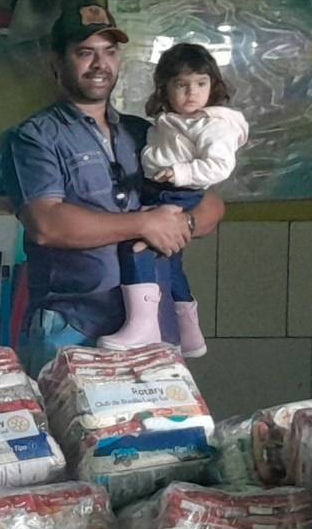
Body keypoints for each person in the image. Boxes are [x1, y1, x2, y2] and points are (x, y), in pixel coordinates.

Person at [3, 5, 225, 376]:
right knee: (68, 417)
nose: (99, 64)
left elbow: (212, 204)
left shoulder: (146, 132)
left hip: (153, 328)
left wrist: (182, 223)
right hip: (73, 328)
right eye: (85, 53)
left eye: (109, 52)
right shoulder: (35, 137)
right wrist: (144, 224)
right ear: (57, 62)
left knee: (159, 418)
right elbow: (46, 224)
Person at [101, 43, 247, 355]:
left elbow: (220, 166)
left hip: (178, 191)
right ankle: (189, 332)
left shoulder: (213, 124)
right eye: (181, 85)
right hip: (162, 188)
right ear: (164, 88)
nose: (192, 93)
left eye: (200, 84)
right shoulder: (169, 121)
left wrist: (180, 172)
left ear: (212, 86)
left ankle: (144, 326)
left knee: (137, 245)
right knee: (170, 259)